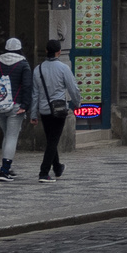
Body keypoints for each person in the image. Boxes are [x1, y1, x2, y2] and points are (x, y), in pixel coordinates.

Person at [0, 37, 34, 182]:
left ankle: (8, 168)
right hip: (15, 106)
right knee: (12, 136)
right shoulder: (23, 64)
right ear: (19, 49)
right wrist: (25, 105)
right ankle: (4, 170)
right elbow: (27, 85)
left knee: (7, 135)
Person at [31, 38, 81, 183]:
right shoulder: (63, 68)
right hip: (59, 110)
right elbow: (73, 88)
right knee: (53, 141)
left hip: (44, 110)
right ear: (59, 52)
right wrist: (77, 102)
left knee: (51, 139)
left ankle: (57, 167)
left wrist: (33, 114)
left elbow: (35, 94)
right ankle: (43, 172)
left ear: (46, 51)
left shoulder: (38, 69)